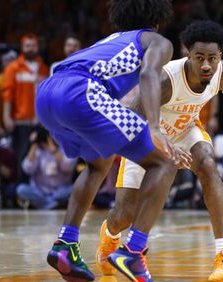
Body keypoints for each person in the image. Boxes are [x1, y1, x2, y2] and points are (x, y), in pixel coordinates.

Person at [95, 20, 223, 282]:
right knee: (123, 216)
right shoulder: (165, 80)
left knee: (207, 164)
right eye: (200, 58)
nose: (206, 65)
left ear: (220, 56)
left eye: (212, 58)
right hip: (147, 137)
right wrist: (161, 145)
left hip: (186, 131)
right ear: (188, 55)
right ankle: (110, 235)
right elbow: (130, 123)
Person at [36, 1, 181, 281]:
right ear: (159, 17)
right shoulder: (157, 40)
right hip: (80, 91)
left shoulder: (111, 40)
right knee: (164, 163)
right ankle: (133, 251)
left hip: (47, 92)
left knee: (97, 164)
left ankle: (66, 245)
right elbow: (149, 74)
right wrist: (154, 126)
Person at [3, 34, 48, 164]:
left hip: (39, 121)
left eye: (33, 46)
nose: (31, 49)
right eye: (28, 46)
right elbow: (7, 94)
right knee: (20, 155)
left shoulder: (44, 68)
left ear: (38, 47)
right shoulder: (13, 68)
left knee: (37, 157)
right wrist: (7, 117)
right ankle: (18, 184)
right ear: (22, 48)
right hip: (20, 121)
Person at [16, 126, 76, 210]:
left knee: (76, 188)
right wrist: (34, 144)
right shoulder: (37, 150)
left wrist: (54, 151)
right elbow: (27, 169)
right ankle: (52, 204)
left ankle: (45, 203)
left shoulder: (65, 148)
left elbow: (68, 167)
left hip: (60, 191)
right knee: (21, 189)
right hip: (40, 192)